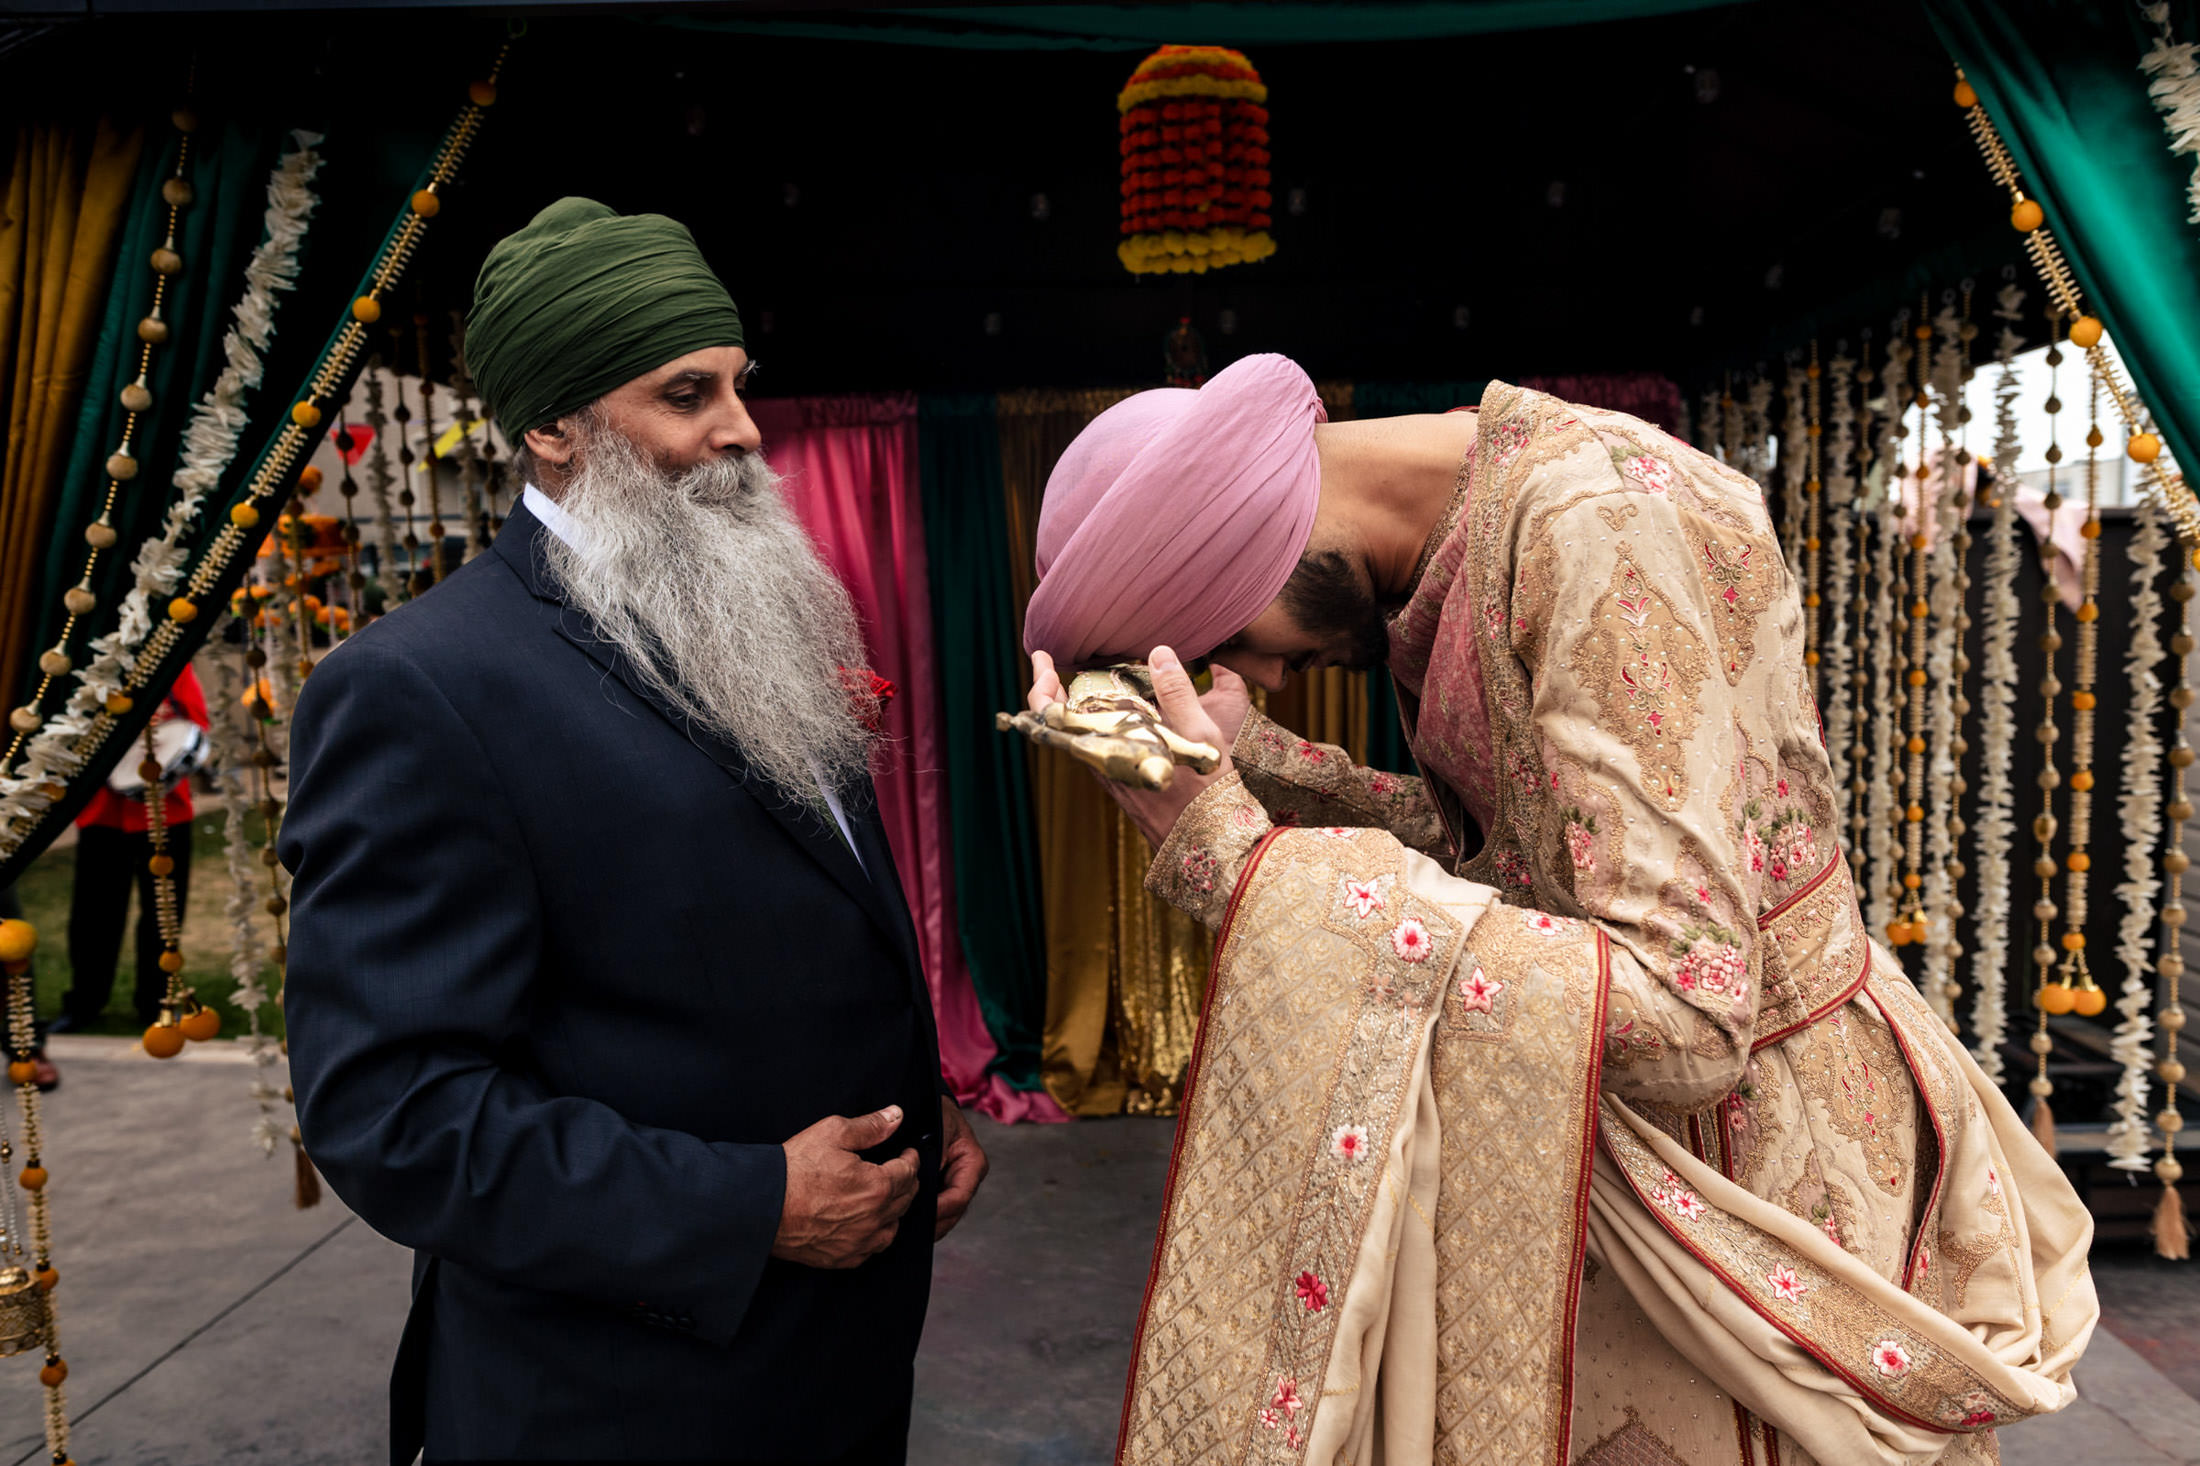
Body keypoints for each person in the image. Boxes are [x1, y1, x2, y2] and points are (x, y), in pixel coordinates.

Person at [1024, 354, 2093, 1465]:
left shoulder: (1593, 523)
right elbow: (1530, 855)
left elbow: (1687, 1013)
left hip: (1747, 1168)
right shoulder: (1476, 518)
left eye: (1232, 646)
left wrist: (1234, 864)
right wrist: (1262, 764)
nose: (1274, 676)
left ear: (1243, 546)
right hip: (1640, 1143)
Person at [280, 198, 986, 1466]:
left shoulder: (742, 604)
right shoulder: (421, 687)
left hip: (836, 1363)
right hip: (622, 1396)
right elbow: (392, 1113)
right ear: (552, 426)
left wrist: (914, 1100)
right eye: (685, 394)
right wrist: (750, 1203)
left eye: (736, 384)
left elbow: (778, 919)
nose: (742, 429)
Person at [51, 664, 208, 1034]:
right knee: (93, 917)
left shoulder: (175, 664)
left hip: (166, 812)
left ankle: (156, 1001)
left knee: (163, 916)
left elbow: (196, 723)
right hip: (103, 814)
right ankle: (85, 1002)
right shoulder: (93, 670)